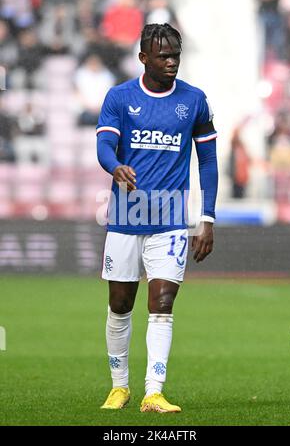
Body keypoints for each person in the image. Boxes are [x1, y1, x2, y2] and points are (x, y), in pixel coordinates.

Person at [96, 23, 218, 413]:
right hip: (125, 217)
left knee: (162, 302)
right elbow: (104, 143)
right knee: (119, 303)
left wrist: (208, 218)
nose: (171, 63)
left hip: (170, 221)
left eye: (176, 56)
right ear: (143, 57)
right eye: (163, 56)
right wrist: (115, 166)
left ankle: (154, 390)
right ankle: (120, 387)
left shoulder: (195, 100)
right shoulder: (120, 97)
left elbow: (209, 160)